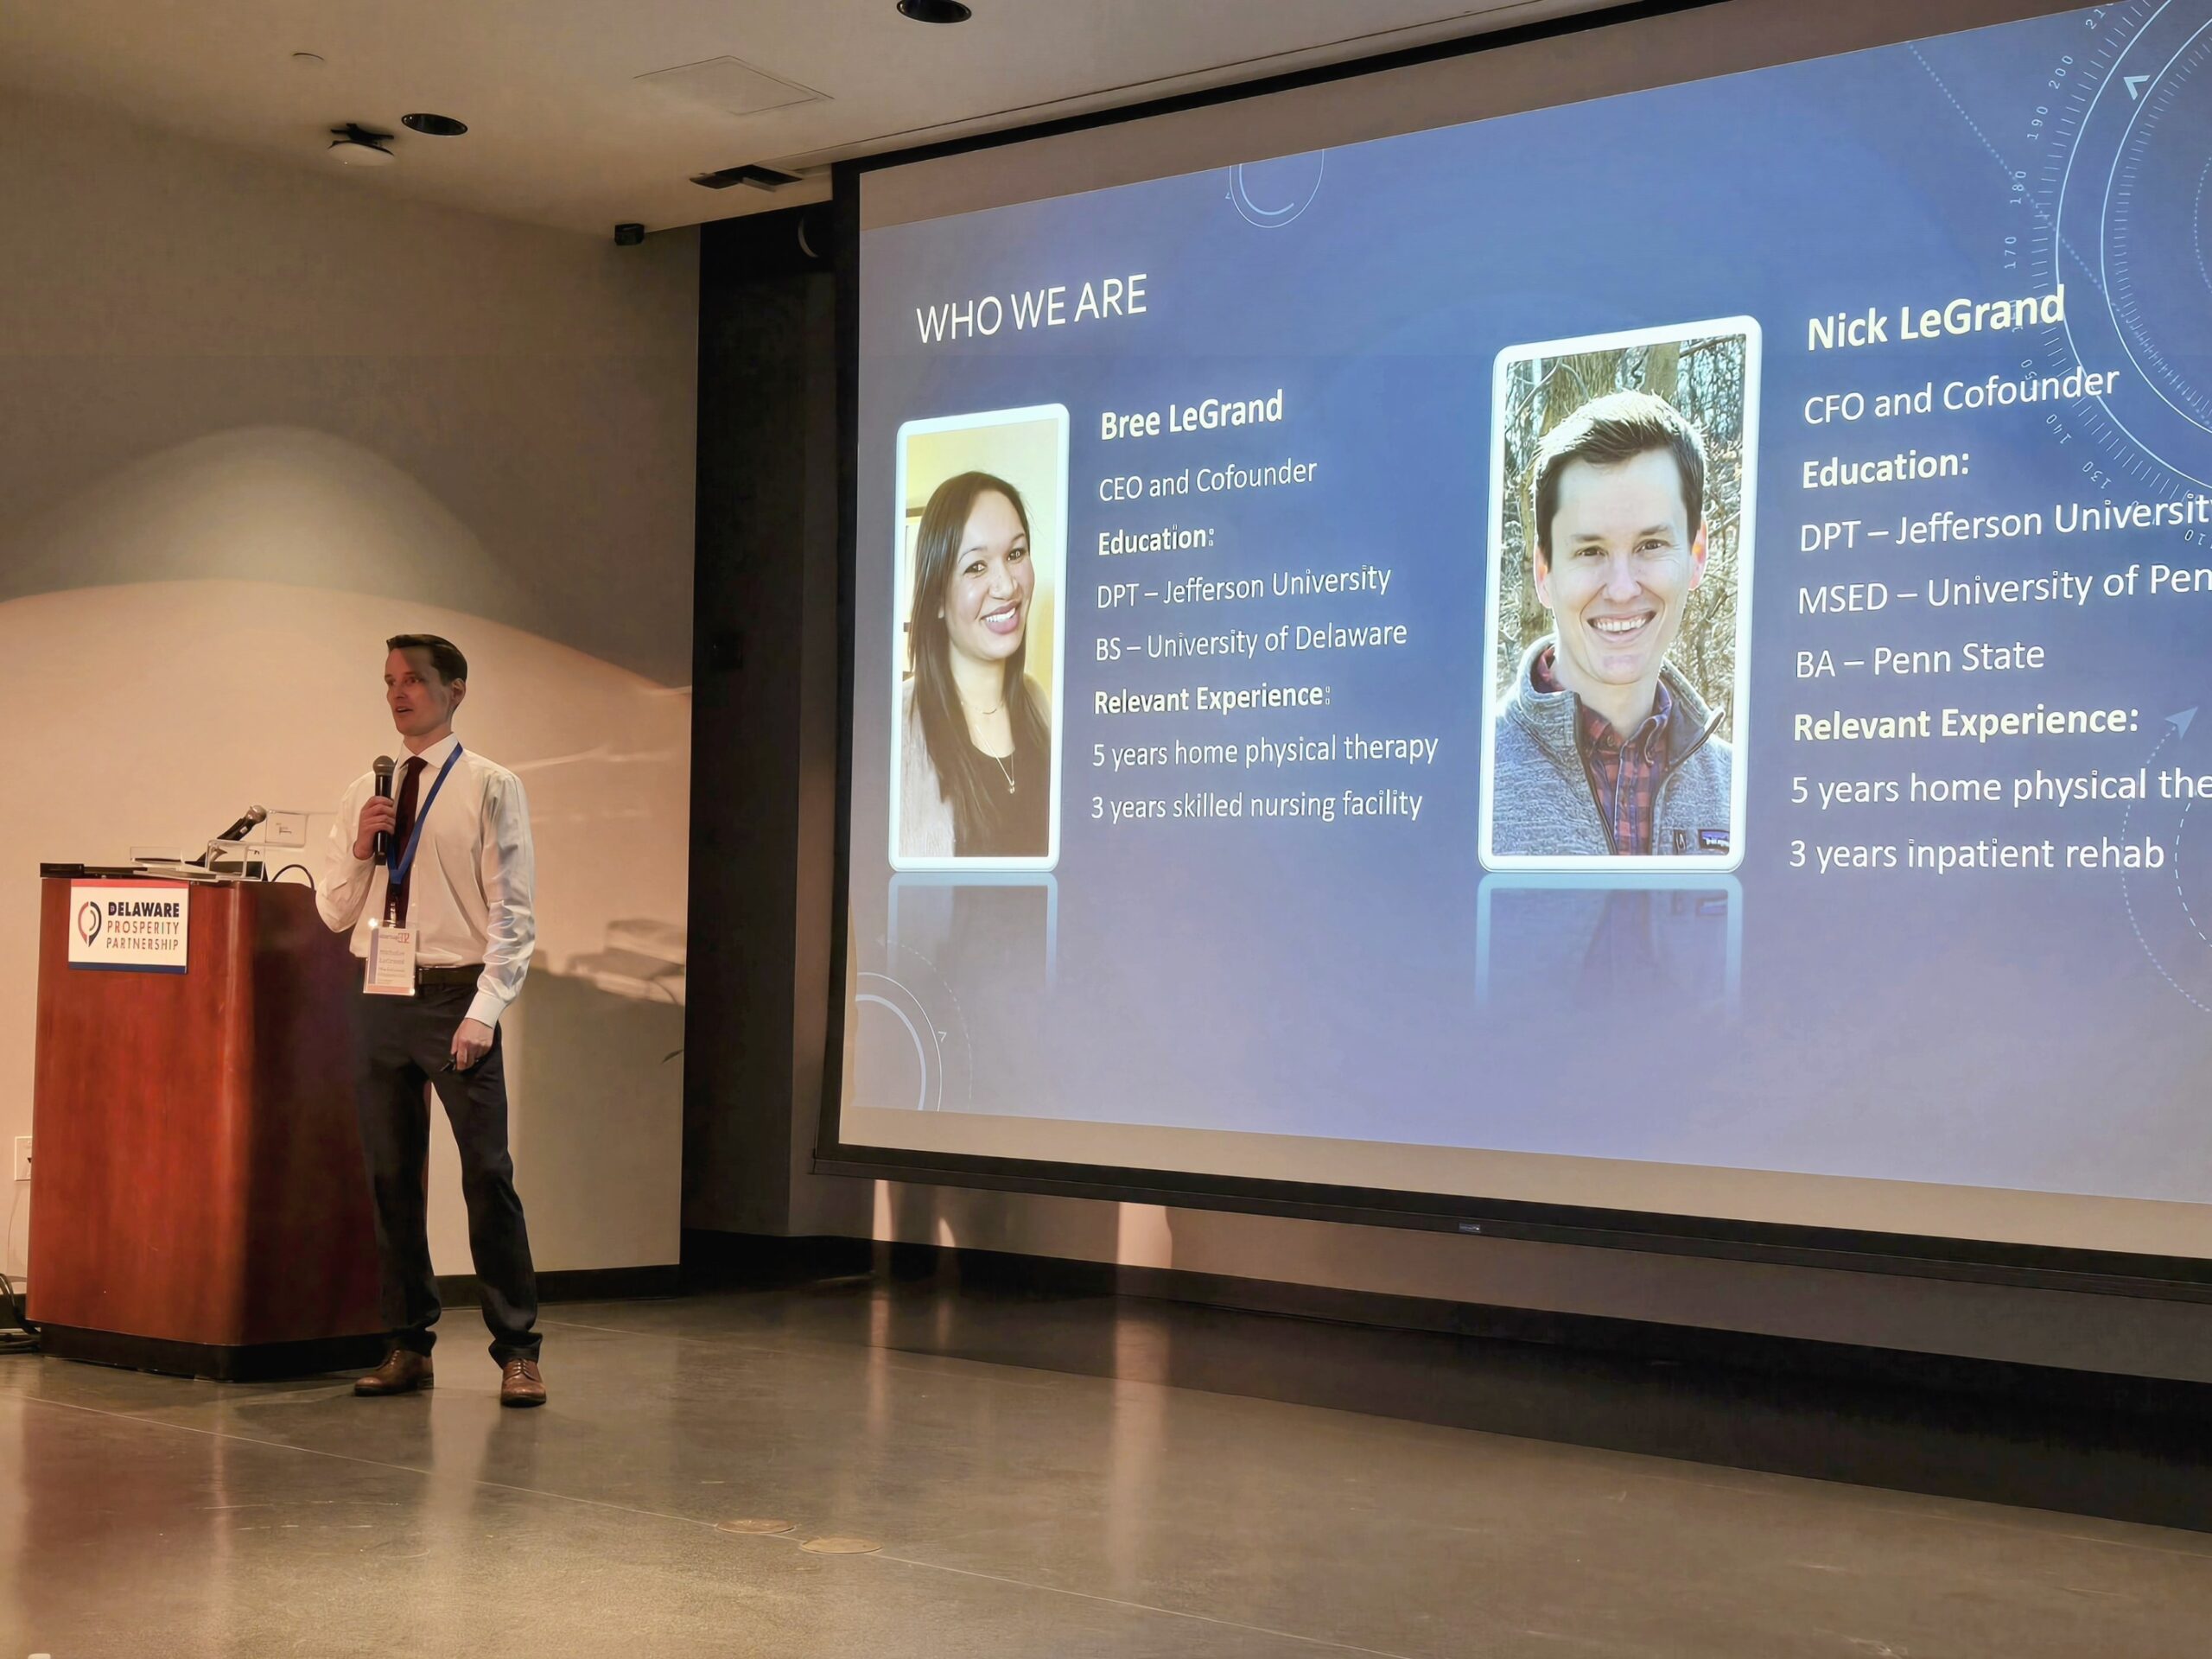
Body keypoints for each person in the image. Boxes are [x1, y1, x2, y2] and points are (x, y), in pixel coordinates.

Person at [317, 632, 546, 1407]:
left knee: (487, 1174)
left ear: (456, 691)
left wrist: (486, 1009)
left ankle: (518, 1349)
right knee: (389, 1176)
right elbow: (333, 909)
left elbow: (514, 916)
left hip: (456, 996)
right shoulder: (365, 791)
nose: (398, 693)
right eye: (388, 680)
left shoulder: (490, 785)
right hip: (379, 993)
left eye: (414, 679)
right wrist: (359, 847)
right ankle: (407, 1344)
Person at [1491, 390, 1732, 859]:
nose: (1622, 589)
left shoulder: (1746, 798)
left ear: (1696, 555)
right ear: (1545, 573)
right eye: (1590, 551)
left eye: (1651, 546)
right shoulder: (1466, 781)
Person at [899, 470, 1053, 860]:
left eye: (1015, 554)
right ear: (935, 597)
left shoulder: (1041, 706)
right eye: (976, 567)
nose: (1006, 586)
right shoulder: (897, 725)